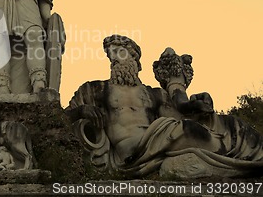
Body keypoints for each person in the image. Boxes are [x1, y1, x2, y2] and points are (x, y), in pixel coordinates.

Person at [66, 34, 263, 177]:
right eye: (111, 54)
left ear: (134, 59)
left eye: (119, 52)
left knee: (227, 124)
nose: (114, 58)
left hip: (159, 138)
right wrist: (82, 111)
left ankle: (246, 151)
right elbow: (61, 118)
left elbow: (181, 114)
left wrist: (195, 103)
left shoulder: (153, 94)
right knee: (188, 130)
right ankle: (239, 156)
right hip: (128, 152)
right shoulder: (94, 89)